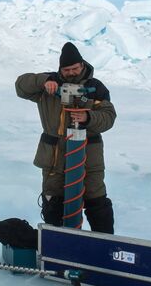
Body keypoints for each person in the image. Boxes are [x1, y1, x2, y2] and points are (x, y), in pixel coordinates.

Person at [15, 42, 116, 233]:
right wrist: (43, 82)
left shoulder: (96, 87)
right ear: (60, 69)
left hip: (89, 159)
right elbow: (20, 86)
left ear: (82, 65)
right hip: (54, 159)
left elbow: (109, 117)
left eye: (75, 68)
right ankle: (56, 249)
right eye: (67, 70)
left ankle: (104, 249)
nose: (71, 73)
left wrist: (89, 117)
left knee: (97, 204)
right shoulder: (50, 84)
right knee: (53, 204)